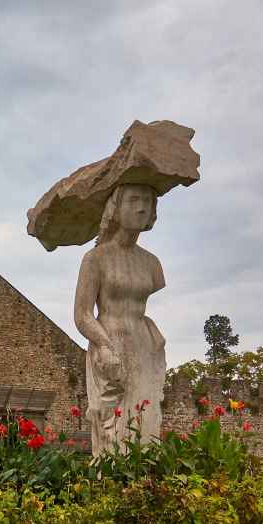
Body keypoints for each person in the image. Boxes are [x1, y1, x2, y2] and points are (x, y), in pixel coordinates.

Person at [74, 183, 166, 455]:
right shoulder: (95, 259)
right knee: (111, 430)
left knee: (146, 423)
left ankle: (144, 476)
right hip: (109, 343)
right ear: (115, 208)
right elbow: (82, 314)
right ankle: (112, 478)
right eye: (134, 200)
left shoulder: (152, 263)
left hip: (144, 346)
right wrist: (103, 345)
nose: (141, 208)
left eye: (147, 202)